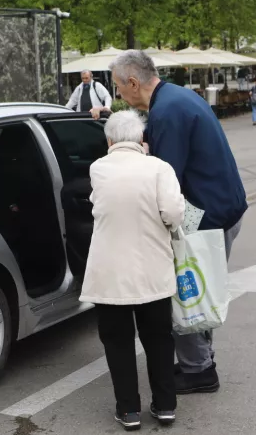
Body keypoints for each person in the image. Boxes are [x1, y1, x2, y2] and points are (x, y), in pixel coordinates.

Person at [96, 50, 247, 395]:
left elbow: (164, 180)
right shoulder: (176, 98)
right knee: (199, 288)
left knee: (184, 290)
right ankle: (201, 359)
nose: (119, 94)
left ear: (133, 82)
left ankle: (199, 370)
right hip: (223, 208)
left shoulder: (166, 113)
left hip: (204, 216)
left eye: (119, 87)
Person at [81, 110, 184, 431]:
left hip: (110, 272)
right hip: (152, 268)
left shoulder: (98, 168)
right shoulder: (159, 168)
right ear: (141, 138)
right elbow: (173, 212)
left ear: (109, 140)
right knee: (159, 338)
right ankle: (165, 405)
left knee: (117, 341)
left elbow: (97, 202)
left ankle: (128, 411)